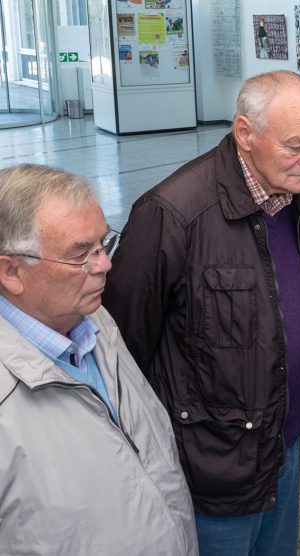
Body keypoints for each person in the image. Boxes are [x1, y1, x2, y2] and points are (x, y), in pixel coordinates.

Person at [103, 70, 300, 555]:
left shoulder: (293, 195)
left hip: (284, 442)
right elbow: (121, 350)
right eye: (297, 144)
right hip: (213, 466)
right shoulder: (171, 214)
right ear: (244, 133)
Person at [0, 164, 197, 554]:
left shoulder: (95, 321)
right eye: (80, 255)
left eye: (102, 244)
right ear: (11, 271)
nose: (104, 264)